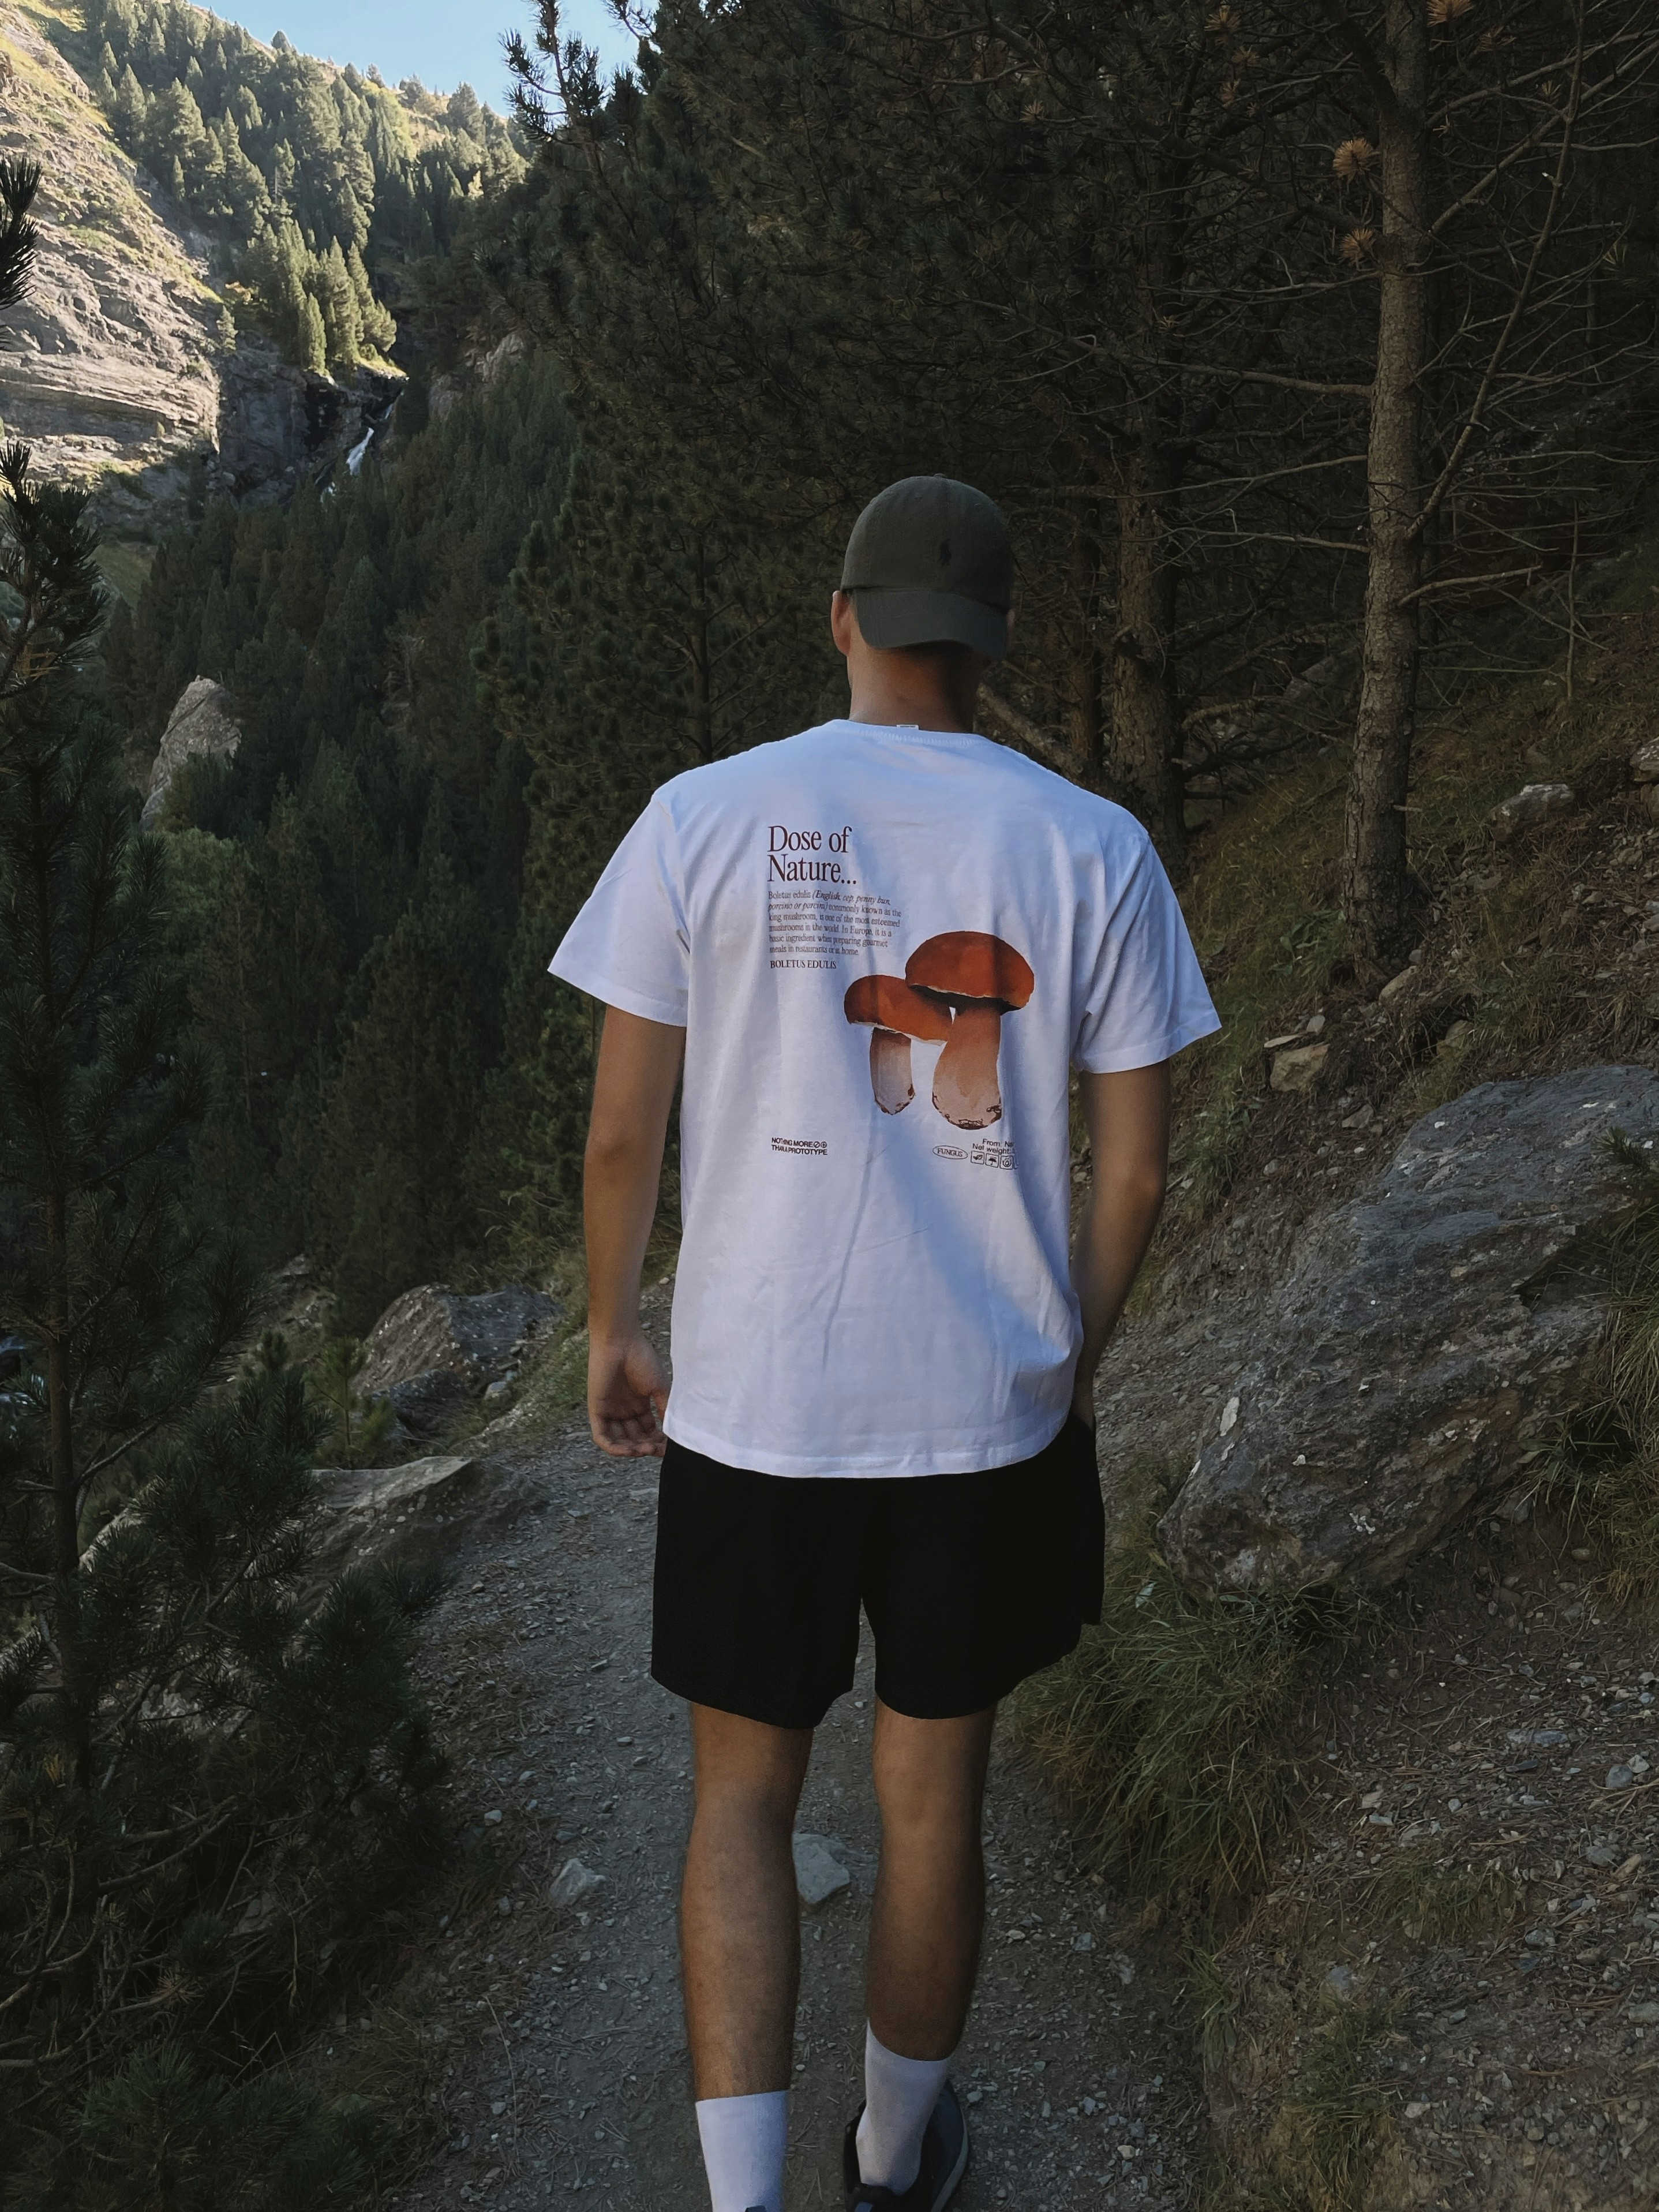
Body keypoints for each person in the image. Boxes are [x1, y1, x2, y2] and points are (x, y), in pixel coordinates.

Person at [550, 476, 1219, 2212]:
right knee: (930, 1801)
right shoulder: (1095, 847)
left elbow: (622, 1131)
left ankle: (746, 2201)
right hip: (982, 1415)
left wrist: (615, 1326)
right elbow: (1138, 1169)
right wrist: (1070, 1361)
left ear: (842, 618)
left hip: (758, 1400)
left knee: (740, 1804)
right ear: (993, 645)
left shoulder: (701, 817)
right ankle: (894, 2158)